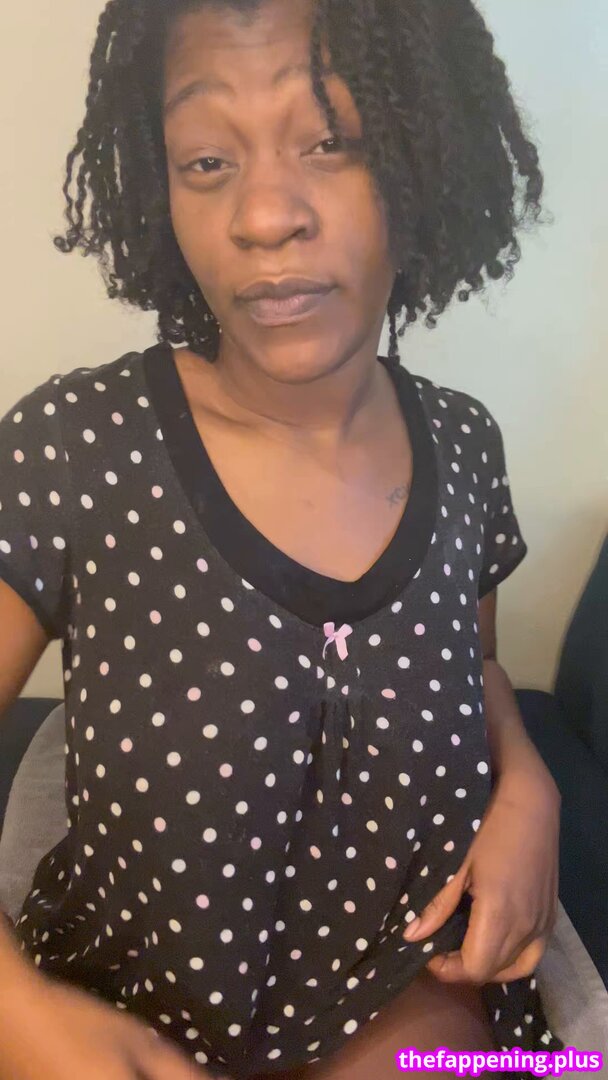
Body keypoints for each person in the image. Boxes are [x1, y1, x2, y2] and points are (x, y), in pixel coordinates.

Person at [0, 0, 564, 1077]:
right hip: (123, 1013)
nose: (263, 216)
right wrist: (16, 1015)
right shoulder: (77, 448)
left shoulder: (462, 445)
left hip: (411, 997)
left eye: (332, 141)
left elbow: (473, 663)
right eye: (207, 161)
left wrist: (527, 784)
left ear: (426, 158)